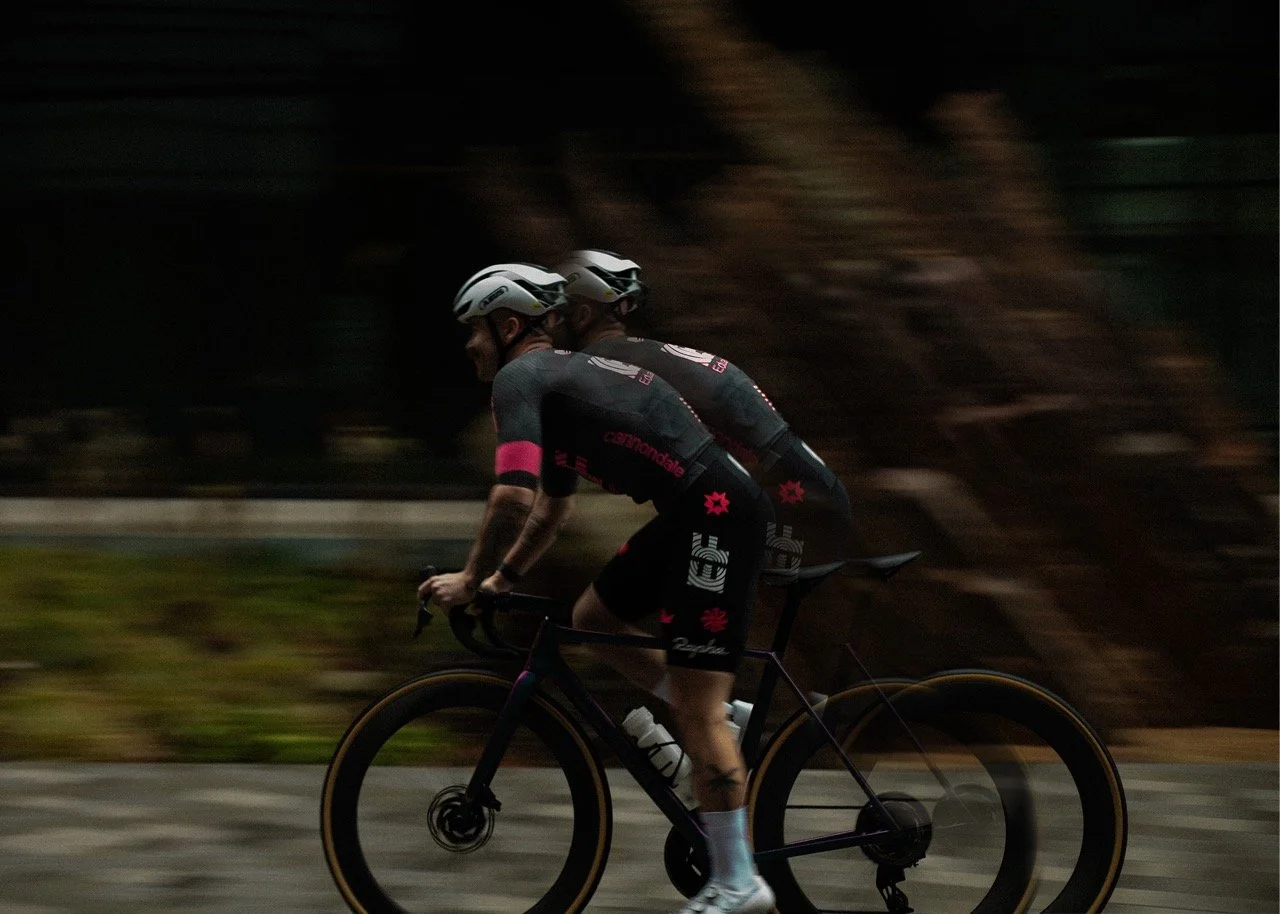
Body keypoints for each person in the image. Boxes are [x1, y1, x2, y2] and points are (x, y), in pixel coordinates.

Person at [418, 262, 777, 914]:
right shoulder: (558, 384)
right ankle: (722, 722)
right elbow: (550, 510)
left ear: (507, 326)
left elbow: (511, 497)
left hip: (714, 515)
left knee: (695, 710)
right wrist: (500, 579)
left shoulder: (521, 378)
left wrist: (468, 579)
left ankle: (738, 880)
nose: (469, 345)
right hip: (698, 511)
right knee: (595, 619)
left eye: (474, 330)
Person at [550, 248, 855, 681]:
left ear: (580, 315)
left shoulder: (604, 370)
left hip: (780, 507)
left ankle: (717, 716)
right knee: (595, 618)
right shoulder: (645, 355)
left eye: (555, 315)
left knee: (695, 654)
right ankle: (725, 713)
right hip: (805, 498)